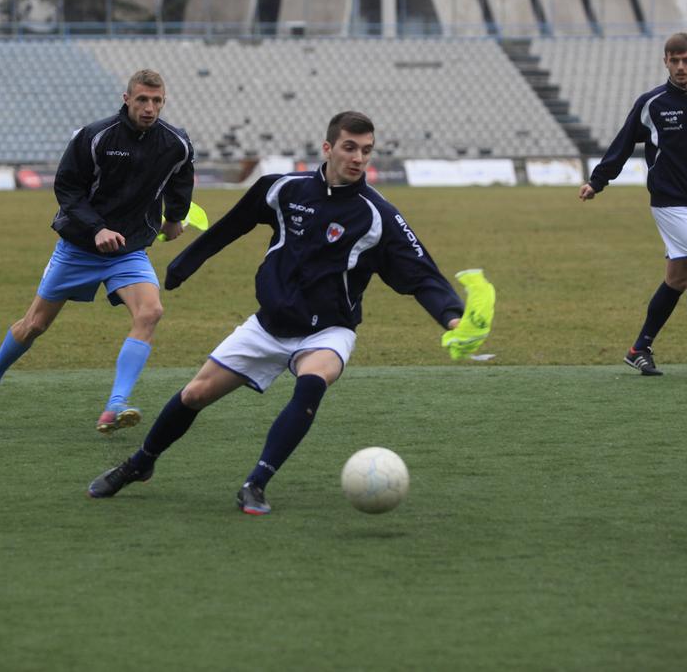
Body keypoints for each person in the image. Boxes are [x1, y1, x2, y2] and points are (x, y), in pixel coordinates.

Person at [86, 111, 477, 516]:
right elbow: (233, 224)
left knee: (312, 381)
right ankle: (141, 462)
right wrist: (186, 263)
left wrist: (453, 318)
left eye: (366, 150)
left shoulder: (378, 215)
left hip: (329, 330)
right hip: (268, 324)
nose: (358, 157)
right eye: (349, 147)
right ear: (327, 148)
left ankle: (256, 483)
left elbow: (422, 275)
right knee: (194, 394)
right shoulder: (283, 189)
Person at [0, 68, 195, 433]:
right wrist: (97, 228)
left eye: (157, 101)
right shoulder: (95, 136)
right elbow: (67, 189)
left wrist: (175, 218)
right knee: (34, 325)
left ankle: (115, 405)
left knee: (150, 313)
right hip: (78, 248)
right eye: (142, 100)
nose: (150, 108)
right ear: (126, 99)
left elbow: (181, 177)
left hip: (128, 251)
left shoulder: (176, 143)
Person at [579, 31, 687, 377]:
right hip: (668, 201)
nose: (681, 66)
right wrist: (598, 181)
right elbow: (623, 143)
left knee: (677, 279)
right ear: (666, 62)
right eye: (675, 61)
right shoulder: (652, 103)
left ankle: (639, 348)